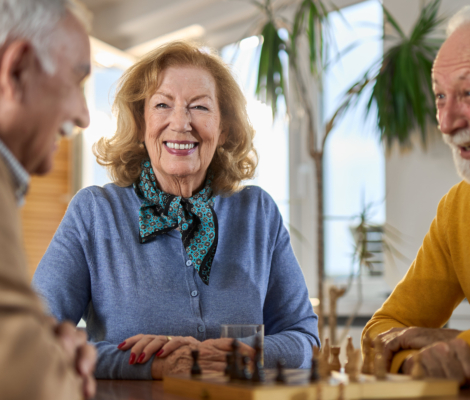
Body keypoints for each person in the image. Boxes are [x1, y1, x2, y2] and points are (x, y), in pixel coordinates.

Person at [32, 40, 320, 380]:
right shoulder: (94, 212)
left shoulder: (258, 213)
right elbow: (37, 341)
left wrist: (246, 353)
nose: (181, 123)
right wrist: (149, 365)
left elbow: (305, 339)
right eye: (163, 105)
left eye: (199, 107)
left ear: (223, 129)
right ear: (141, 124)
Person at [362, 1, 470, 388]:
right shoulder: (460, 206)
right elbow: (382, 331)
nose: (447, 122)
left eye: (469, 92)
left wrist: (466, 343)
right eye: (440, 96)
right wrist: (415, 358)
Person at [0, 0, 97, 399]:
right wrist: (60, 366)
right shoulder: (93, 209)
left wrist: (47, 348)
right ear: (17, 69)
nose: (84, 115)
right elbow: (33, 384)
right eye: (78, 81)